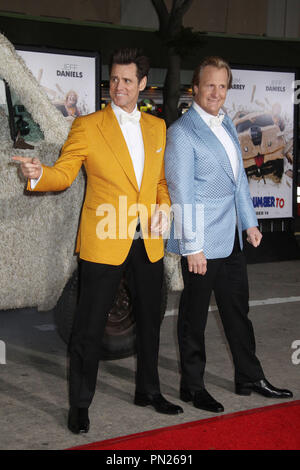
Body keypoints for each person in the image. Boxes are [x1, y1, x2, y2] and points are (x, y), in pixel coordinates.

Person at [13, 48, 183, 434]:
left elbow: (158, 182)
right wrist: (40, 174)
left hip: (148, 241)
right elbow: (65, 175)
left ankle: (149, 390)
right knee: (88, 329)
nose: (118, 86)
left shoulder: (157, 128)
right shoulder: (88, 126)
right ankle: (80, 404)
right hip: (104, 241)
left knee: (151, 323)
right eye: (114, 79)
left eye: (127, 80)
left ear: (142, 84)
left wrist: (164, 208)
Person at [164, 56, 293, 413]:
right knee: (195, 318)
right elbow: (182, 194)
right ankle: (192, 386)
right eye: (210, 85)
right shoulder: (181, 133)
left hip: (232, 240)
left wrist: (250, 223)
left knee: (238, 313)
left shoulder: (226, 126)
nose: (216, 93)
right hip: (201, 244)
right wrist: (192, 247)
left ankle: (249, 376)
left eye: (223, 86)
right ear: (195, 88)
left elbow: (238, 183)